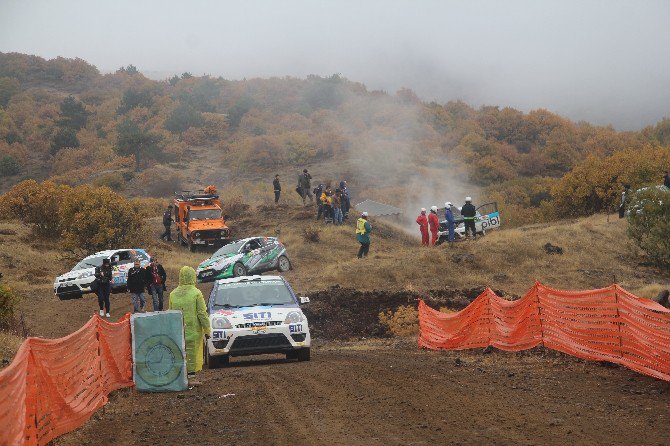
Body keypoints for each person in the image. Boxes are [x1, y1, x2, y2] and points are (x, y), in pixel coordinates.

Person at [169, 266, 211, 376]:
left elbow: (170, 314)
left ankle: (181, 379)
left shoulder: (172, 294)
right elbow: (202, 313)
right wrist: (207, 330)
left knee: (180, 355)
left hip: (177, 333)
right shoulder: (196, 293)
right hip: (193, 332)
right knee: (192, 357)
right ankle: (191, 377)